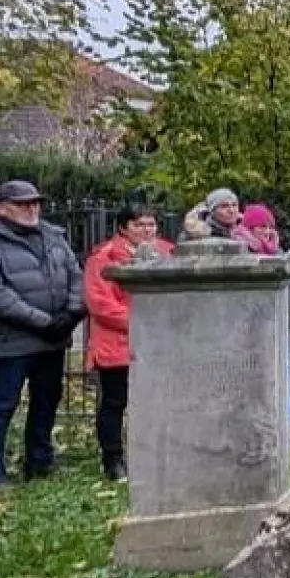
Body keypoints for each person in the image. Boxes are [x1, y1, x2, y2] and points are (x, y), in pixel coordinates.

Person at [0, 180, 82, 488]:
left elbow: (76, 275)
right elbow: (1, 296)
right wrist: (42, 322)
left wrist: (72, 314)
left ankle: (40, 462)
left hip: (53, 340)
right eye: (23, 204)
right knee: (3, 405)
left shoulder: (53, 235)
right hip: (12, 342)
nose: (32, 208)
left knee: (46, 402)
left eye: (35, 203)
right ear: (2, 208)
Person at [84, 205, 169, 480]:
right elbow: (101, 304)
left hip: (157, 345)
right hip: (118, 344)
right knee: (114, 403)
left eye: (151, 225)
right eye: (139, 225)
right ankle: (113, 458)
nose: (147, 230)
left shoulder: (167, 252)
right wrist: (144, 323)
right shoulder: (104, 258)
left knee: (156, 402)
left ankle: (152, 453)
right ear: (123, 228)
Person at [232, 204, 290, 451]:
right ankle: (258, 433)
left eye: (269, 226)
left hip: (277, 321)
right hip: (247, 326)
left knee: (287, 374)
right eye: (260, 226)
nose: (266, 231)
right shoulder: (239, 248)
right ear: (249, 228)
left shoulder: (276, 248)